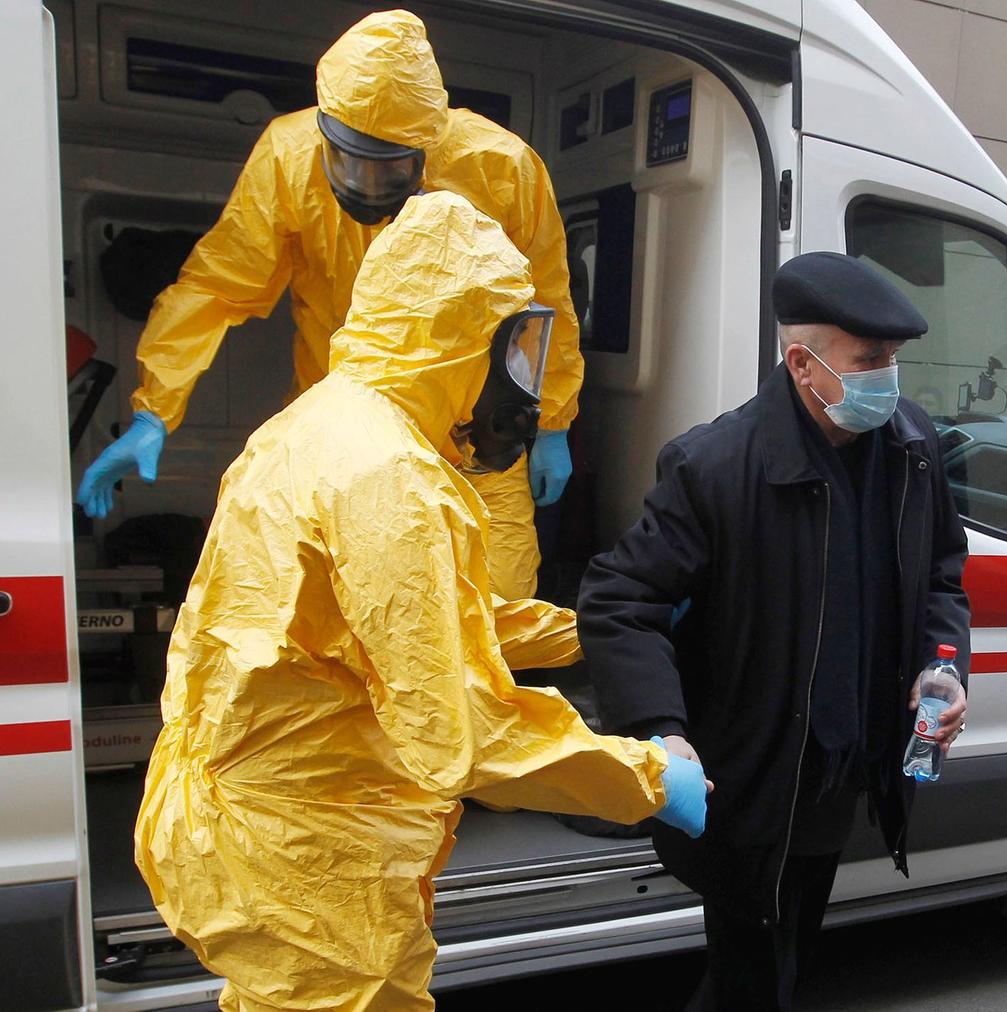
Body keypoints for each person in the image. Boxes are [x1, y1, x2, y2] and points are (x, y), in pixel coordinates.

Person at [134, 191, 709, 1012]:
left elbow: (401, 621)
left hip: (250, 820)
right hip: (314, 853)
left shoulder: (314, 426)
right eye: (514, 348)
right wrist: (649, 777)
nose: (522, 381)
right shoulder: (390, 479)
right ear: (459, 337)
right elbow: (463, 735)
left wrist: (585, 631)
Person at [577, 251, 972, 1010]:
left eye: (893, 358)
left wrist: (944, 666)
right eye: (869, 361)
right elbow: (619, 599)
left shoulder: (912, 447)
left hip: (843, 770)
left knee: (780, 960)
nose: (888, 377)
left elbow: (940, 577)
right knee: (753, 970)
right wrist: (662, 731)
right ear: (801, 365)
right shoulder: (716, 466)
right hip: (752, 783)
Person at [76, 9, 577, 599]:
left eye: (389, 168)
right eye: (350, 160)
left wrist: (553, 423)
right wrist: (155, 409)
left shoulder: (500, 166)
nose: (367, 184)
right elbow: (218, 285)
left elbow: (545, 300)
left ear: (426, 145)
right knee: (336, 605)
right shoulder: (288, 157)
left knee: (495, 602)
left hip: (473, 436)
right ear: (326, 130)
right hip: (342, 436)